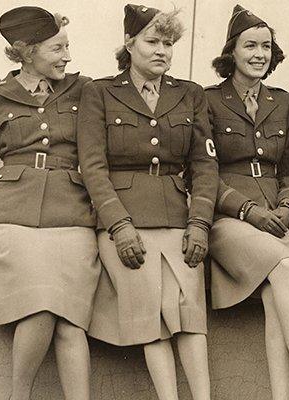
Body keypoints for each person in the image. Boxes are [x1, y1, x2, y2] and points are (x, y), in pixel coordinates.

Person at [0, 7, 100, 399]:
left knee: (71, 323)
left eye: (67, 47)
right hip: (11, 217)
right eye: (57, 48)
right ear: (27, 51)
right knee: (41, 308)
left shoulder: (84, 89)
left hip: (72, 214)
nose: (67, 56)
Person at [76, 4, 218, 400]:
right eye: (152, 41)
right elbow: (92, 166)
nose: (162, 50)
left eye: (168, 43)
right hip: (124, 220)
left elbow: (205, 166)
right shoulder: (100, 92)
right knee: (151, 311)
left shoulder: (189, 94)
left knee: (189, 311)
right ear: (129, 43)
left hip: (177, 218)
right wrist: (119, 227)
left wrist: (200, 223)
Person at [205, 5, 289, 400]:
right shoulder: (207, 100)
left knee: (276, 293)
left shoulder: (283, 101)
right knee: (283, 265)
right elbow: (203, 174)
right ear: (232, 52)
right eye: (250, 46)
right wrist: (247, 210)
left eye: (266, 46)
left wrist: (286, 207)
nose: (259, 54)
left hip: (276, 219)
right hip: (229, 220)